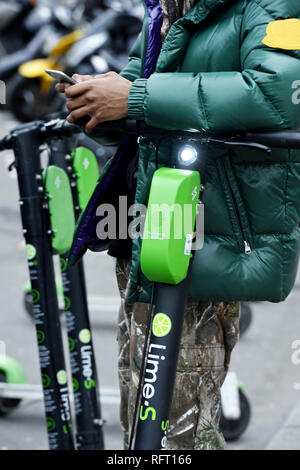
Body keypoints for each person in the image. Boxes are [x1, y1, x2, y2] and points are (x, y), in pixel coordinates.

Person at [57, 0, 300, 449]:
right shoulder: (164, 8)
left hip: (210, 236)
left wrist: (135, 97)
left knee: (179, 432)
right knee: (144, 419)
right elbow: (139, 97)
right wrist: (97, 102)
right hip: (152, 232)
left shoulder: (270, 5)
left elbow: (279, 92)